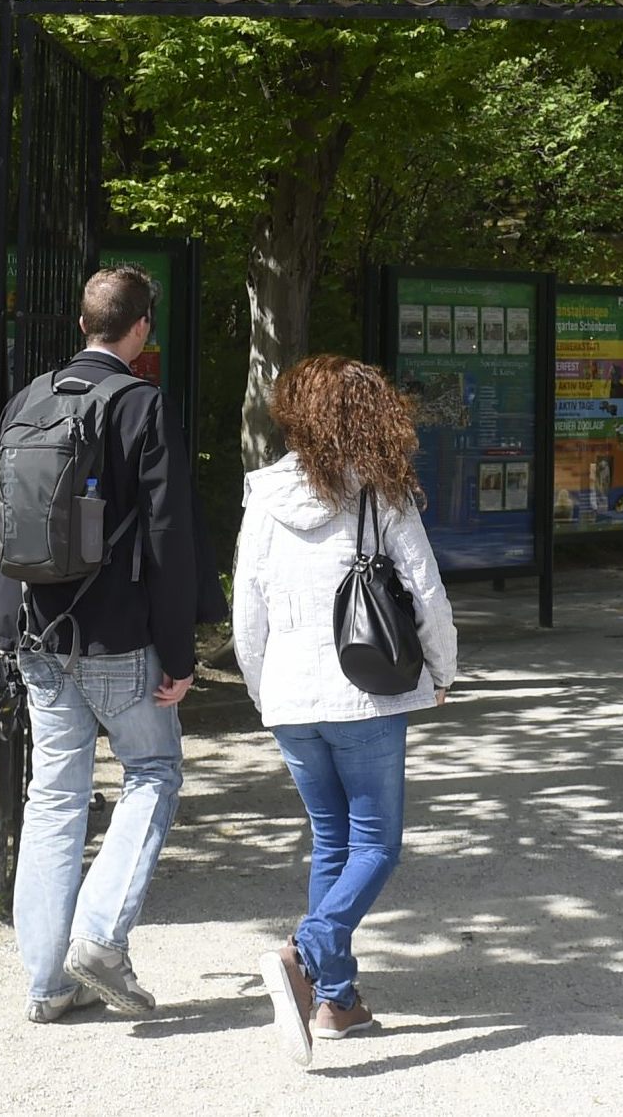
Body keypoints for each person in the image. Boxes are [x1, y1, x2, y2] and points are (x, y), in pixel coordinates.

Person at [0, 263, 224, 1023]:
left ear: (82, 324)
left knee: (52, 797)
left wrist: (6, 633)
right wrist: (181, 652)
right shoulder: (140, 405)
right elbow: (169, 535)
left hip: (37, 634)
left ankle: (45, 984)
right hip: (119, 637)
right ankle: (99, 936)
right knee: (153, 770)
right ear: (141, 328)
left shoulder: (27, 400)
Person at [234, 356, 458, 1067]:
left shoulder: (263, 495)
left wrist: (262, 689)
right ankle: (307, 951)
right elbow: (426, 593)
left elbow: (248, 610)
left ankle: (338, 1002)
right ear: (370, 415)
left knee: (334, 843)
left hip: (291, 696)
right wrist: (444, 670)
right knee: (377, 846)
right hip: (366, 694)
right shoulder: (381, 494)